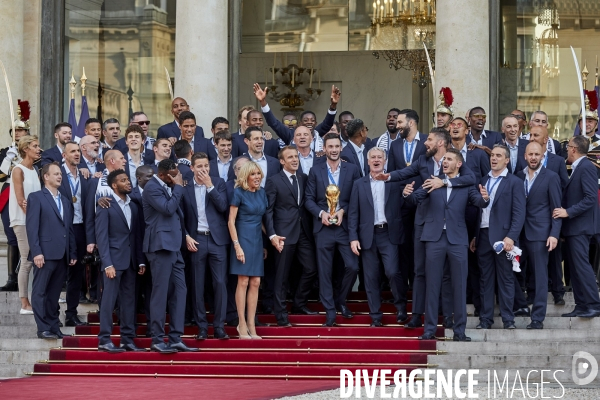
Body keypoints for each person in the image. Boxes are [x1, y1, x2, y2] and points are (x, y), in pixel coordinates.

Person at [375, 128, 477, 329]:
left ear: (440, 142)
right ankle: (417, 314)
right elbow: (404, 172)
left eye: (429, 139)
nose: (425, 143)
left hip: (450, 226)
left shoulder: (456, 161)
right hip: (424, 224)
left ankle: (447, 315)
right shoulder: (423, 160)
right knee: (420, 271)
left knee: (448, 274)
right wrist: (387, 177)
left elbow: (471, 179)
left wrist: (444, 181)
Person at [403, 148, 485, 341]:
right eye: (444, 159)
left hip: (457, 239)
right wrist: (407, 194)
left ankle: (459, 331)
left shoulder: (465, 184)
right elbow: (416, 199)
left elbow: (479, 202)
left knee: (459, 285)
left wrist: (486, 199)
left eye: (449, 159)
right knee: (432, 284)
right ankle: (429, 330)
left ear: (459, 164)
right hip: (434, 238)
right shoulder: (432, 181)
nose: (444, 162)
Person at [142, 159, 198, 353]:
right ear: (165, 174)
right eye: (174, 174)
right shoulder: (152, 187)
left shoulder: (166, 185)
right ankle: (157, 339)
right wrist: (179, 187)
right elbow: (167, 209)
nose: (178, 177)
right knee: (160, 293)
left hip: (174, 246)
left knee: (180, 291)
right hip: (159, 246)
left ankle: (175, 337)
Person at [305, 133, 361, 326]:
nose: (334, 150)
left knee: (352, 266)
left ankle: (340, 300)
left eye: (337, 146)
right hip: (324, 227)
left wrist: (343, 211)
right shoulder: (315, 170)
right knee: (324, 271)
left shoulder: (352, 170)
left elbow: (358, 196)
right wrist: (322, 214)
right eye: (331, 147)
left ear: (341, 148)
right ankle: (330, 311)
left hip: (345, 227)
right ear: (324, 149)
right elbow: (309, 200)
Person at [348, 147, 407, 326]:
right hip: (367, 236)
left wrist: (406, 194)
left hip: (388, 233)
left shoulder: (393, 181)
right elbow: (353, 213)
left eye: (379, 157)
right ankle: (375, 316)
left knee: (392, 271)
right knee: (371, 277)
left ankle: (401, 308)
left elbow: (405, 204)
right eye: (372, 157)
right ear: (368, 162)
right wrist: (353, 237)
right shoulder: (359, 184)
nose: (376, 160)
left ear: (384, 161)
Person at [265, 146, 318, 326]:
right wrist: (272, 234)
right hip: (283, 235)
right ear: (282, 161)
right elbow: (268, 210)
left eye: (296, 157)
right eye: (290, 157)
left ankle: (299, 304)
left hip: (303, 232)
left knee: (311, 268)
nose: (295, 160)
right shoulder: (273, 181)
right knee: (281, 277)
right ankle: (280, 316)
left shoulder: (304, 178)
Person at [474, 144, 526, 330]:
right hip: (483, 236)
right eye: (492, 155)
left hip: (503, 238)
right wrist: (475, 235)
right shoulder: (483, 180)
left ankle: (508, 319)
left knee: (505, 279)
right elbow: (478, 212)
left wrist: (511, 237)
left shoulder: (514, 182)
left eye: (498, 155)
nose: (493, 158)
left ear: (507, 160)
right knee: (485, 280)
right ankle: (485, 320)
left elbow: (519, 213)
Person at [96, 170, 145, 352]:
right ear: (114, 185)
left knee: (128, 301)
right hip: (113, 263)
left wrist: (140, 261)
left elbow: (136, 236)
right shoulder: (105, 206)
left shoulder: (133, 206)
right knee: (108, 301)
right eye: (123, 181)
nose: (128, 183)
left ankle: (127, 340)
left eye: (128, 179)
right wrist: (107, 263)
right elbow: (102, 237)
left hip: (131, 262)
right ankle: (104, 339)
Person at [182, 153, 230, 340]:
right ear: (192, 168)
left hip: (217, 240)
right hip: (196, 240)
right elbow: (180, 215)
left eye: (206, 166)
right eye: (199, 166)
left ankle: (219, 326)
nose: (203, 169)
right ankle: (202, 326)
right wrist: (186, 235)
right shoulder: (185, 187)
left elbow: (223, 206)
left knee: (220, 284)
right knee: (197, 285)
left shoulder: (218, 183)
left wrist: (209, 185)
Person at [27, 162, 77, 339]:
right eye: (55, 174)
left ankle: (54, 327)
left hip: (62, 254)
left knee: (54, 294)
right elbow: (32, 228)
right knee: (40, 292)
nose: (59, 176)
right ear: (45, 177)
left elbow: (68, 228)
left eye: (60, 174)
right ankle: (43, 328)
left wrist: (72, 252)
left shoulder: (64, 200)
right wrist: (36, 252)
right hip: (44, 253)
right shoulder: (36, 197)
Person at [515, 142, 562, 329]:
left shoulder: (551, 177)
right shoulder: (518, 177)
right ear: (524, 156)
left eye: (537, 154)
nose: (534, 157)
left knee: (540, 276)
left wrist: (554, 234)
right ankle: (520, 305)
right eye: (530, 154)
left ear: (543, 156)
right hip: (518, 234)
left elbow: (556, 209)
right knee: (508, 271)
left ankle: (537, 318)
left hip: (540, 235)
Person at [553, 135, 600, 318]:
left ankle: (593, 304)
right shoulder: (579, 167)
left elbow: (590, 198)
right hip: (574, 228)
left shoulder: (586, 167)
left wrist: (568, 212)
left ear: (573, 149)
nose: (566, 150)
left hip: (581, 227)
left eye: (568, 147)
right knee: (575, 268)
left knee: (582, 266)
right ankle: (582, 304)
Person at [228, 161, 268, 339]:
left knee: (256, 282)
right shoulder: (239, 193)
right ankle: (241, 323)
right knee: (243, 281)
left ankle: (252, 324)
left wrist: (270, 241)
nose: (257, 177)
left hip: (257, 240)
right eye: (253, 174)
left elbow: (263, 221)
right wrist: (237, 246)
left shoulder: (262, 193)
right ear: (246, 176)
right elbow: (231, 221)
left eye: (258, 173)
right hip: (242, 238)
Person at [58, 142, 91, 325]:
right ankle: (53, 314)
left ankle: (71, 314)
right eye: (73, 151)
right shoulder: (57, 174)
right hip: (62, 229)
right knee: (59, 273)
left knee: (77, 273)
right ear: (64, 155)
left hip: (80, 228)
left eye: (78, 151)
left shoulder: (84, 175)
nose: (77, 154)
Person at [10, 135, 42, 314]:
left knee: (36, 258)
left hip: (34, 220)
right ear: (25, 149)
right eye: (35, 146)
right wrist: (32, 219)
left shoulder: (35, 170)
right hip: (22, 221)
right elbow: (21, 200)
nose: (39, 149)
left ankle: (37, 297)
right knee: (27, 259)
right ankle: (24, 303)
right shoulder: (18, 170)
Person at [253, 83, 339, 148]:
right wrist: (263, 102)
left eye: (312, 121)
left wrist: (333, 105)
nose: (309, 122)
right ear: (300, 123)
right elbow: (274, 123)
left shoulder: (317, 133)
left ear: (315, 123)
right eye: (306, 120)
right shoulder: (290, 135)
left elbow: (327, 123)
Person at [0, 118, 29, 292]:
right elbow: (0, 175)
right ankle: (12, 278)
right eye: (15, 130)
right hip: (9, 194)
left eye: (21, 130)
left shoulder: (35, 152)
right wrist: (8, 159)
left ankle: (23, 276)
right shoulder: (5, 152)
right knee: (11, 236)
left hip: (27, 193)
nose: (17, 133)